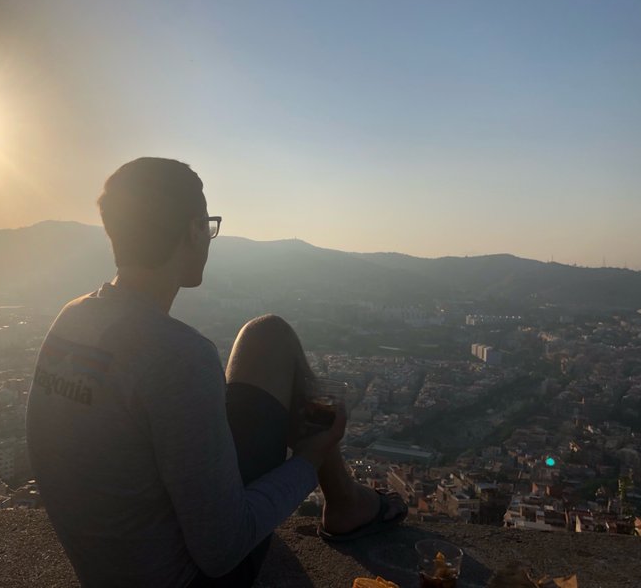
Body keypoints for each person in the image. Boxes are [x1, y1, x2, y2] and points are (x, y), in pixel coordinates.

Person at [26, 157, 406, 588]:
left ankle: (344, 502)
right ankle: (345, 504)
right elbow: (223, 551)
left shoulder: (71, 318)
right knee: (273, 337)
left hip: (110, 561)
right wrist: (309, 459)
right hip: (192, 578)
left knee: (265, 335)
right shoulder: (177, 354)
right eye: (208, 225)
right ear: (193, 230)